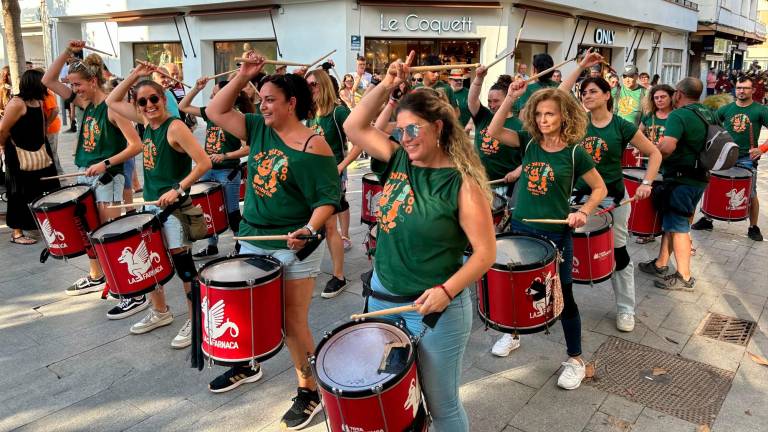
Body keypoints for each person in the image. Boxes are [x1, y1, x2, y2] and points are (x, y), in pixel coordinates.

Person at [344, 51, 496, 431]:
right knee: (393, 394)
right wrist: (386, 84)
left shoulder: (463, 183)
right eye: (399, 129)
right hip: (383, 296)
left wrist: (446, 291)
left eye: (413, 129)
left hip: (434, 311)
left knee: (441, 406)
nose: (404, 137)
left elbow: (485, 253)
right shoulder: (397, 159)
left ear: (440, 127)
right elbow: (354, 125)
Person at [206, 53, 340, 430]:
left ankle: (309, 390)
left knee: (292, 322)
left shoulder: (313, 146)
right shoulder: (257, 127)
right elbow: (216, 110)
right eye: (261, 99)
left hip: (292, 244)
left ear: (291, 103)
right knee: (248, 310)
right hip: (252, 236)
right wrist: (243, 74)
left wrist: (310, 230)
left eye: (270, 100)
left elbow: (327, 200)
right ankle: (247, 365)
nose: (262, 105)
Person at [488, 82, 607, 390]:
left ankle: (576, 359)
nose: (543, 120)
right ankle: (513, 333)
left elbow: (599, 189)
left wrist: (583, 212)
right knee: (515, 286)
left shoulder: (574, 153)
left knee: (564, 296)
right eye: (539, 114)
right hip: (522, 228)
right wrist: (511, 97)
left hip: (556, 234)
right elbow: (493, 130)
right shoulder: (528, 142)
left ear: (564, 116)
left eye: (550, 114)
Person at [106, 62, 212, 346]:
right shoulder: (145, 124)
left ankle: (197, 320)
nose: (149, 104)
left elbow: (204, 163)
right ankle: (160, 311)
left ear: (164, 99)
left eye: (154, 98)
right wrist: (136, 75)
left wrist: (178, 188)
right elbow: (111, 100)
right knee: (151, 262)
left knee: (183, 266)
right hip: (152, 205)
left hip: (174, 209)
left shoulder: (175, 127)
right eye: (143, 101)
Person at [559, 52, 662, 333]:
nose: (586, 95)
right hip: (577, 199)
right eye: (583, 92)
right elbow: (558, 95)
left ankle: (626, 308)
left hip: (613, 199)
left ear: (607, 95)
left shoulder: (622, 125)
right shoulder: (577, 123)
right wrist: (580, 66)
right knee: (563, 253)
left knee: (620, 253)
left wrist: (646, 183)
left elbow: (653, 154)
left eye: (592, 91)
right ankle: (560, 305)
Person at [42, 41, 144, 308]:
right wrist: (68, 52)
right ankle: (97, 275)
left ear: (94, 81)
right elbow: (48, 79)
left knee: (109, 234)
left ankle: (132, 290)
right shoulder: (85, 104)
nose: (74, 91)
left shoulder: (113, 108)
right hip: (86, 174)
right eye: (73, 86)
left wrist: (106, 164)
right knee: (90, 230)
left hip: (108, 178)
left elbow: (136, 145)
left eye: (78, 85)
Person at [638, 78, 711, 291]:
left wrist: (652, 152)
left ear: (677, 94)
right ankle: (661, 263)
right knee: (671, 223)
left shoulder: (679, 114)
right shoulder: (707, 112)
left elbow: (668, 147)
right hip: (700, 176)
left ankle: (684, 277)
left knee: (678, 227)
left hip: (681, 178)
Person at [179, 77, 254, 259]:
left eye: (216, 93)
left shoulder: (237, 117)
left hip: (227, 172)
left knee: (232, 212)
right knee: (208, 210)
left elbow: (248, 147)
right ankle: (212, 246)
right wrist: (196, 88)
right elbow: (183, 106)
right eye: (212, 94)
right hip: (208, 169)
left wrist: (225, 155)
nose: (212, 97)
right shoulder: (210, 113)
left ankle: (241, 245)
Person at [306, 69, 361, 298]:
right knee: (315, 224)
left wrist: (341, 166)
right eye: (307, 85)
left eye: (314, 85)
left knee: (329, 226)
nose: (310, 89)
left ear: (324, 86)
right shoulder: (310, 113)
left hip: (331, 176)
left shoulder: (338, 112)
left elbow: (359, 142)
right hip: (310, 176)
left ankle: (338, 276)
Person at [691, 75, 768, 241]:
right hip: (723, 156)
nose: (741, 91)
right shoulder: (726, 109)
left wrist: (762, 149)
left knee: (751, 193)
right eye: (739, 87)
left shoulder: (760, 110)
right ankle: (707, 218)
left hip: (747, 158)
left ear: (753, 90)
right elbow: (710, 126)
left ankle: (753, 226)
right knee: (713, 186)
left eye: (745, 88)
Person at [0, 69, 61, 244]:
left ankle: (43, 223)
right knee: (18, 191)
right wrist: (3, 145)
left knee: (46, 186)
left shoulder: (37, 101)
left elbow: (42, 123)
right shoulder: (17, 103)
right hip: (18, 153)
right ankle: (17, 232)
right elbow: (3, 129)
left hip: (39, 150)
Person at [635, 84, 675, 245]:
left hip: (670, 166)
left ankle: (670, 232)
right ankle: (648, 231)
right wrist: (637, 148)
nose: (659, 100)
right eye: (656, 97)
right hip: (650, 164)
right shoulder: (649, 116)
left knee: (669, 202)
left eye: (663, 97)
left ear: (671, 97)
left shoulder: (676, 116)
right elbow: (637, 134)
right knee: (649, 198)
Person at [42, 88, 63, 174]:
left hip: (51, 128)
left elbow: (55, 109)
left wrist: (47, 124)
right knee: (51, 151)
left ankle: (58, 172)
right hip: (48, 127)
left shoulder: (46, 93)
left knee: (52, 151)